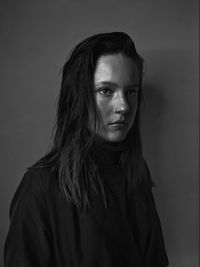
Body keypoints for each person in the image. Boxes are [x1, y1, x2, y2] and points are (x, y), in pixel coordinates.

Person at [4, 32, 169, 267]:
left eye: (131, 91)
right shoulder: (40, 186)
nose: (123, 106)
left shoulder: (136, 172)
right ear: (78, 97)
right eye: (106, 91)